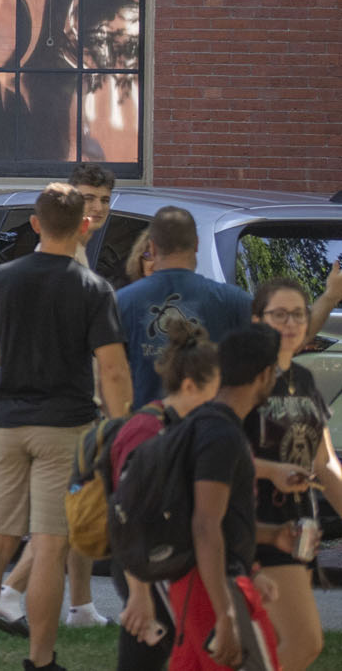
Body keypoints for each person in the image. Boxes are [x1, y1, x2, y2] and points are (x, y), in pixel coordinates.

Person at [0, 183, 134, 671]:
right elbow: (113, 369)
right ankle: (40, 660)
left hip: (9, 426)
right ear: (84, 226)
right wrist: (123, 427)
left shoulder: (1, 278)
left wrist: (13, 354)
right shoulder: (93, 288)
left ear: (35, 224)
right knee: (49, 545)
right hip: (66, 427)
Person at [0, 162, 124, 632]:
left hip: (76, 400)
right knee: (67, 509)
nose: (96, 208)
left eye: (104, 200)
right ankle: (9, 594)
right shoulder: (57, 255)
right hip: (59, 406)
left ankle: (83, 608)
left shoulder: (90, 253)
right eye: (88, 198)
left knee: (79, 504)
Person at [155, 323, 284, 671]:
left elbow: (220, 518)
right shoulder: (220, 434)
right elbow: (205, 524)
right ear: (265, 374)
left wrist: (261, 553)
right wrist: (226, 614)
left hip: (196, 581)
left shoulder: (203, 422)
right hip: (213, 585)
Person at [110, 314, 225, 671]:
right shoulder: (147, 431)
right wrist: (140, 594)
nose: (219, 400)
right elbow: (129, 516)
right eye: (215, 391)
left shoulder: (184, 428)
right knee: (144, 657)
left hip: (165, 560)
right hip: (143, 566)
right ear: (190, 385)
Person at [241, 279, 342, 671]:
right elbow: (214, 455)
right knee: (301, 643)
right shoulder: (243, 380)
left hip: (293, 532)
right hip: (248, 531)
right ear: (256, 320)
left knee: (275, 646)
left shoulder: (304, 381)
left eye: (297, 314)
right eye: (277, 314)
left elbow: (325, 463)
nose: (289, 323)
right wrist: (272, 470)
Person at [113, 208, 252, 408]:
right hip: (211, 429)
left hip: (147, 430)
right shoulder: (235, 301)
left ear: (151, 247)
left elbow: (112, 374)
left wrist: (123, 430)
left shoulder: (121, 302)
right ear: (197, 244)